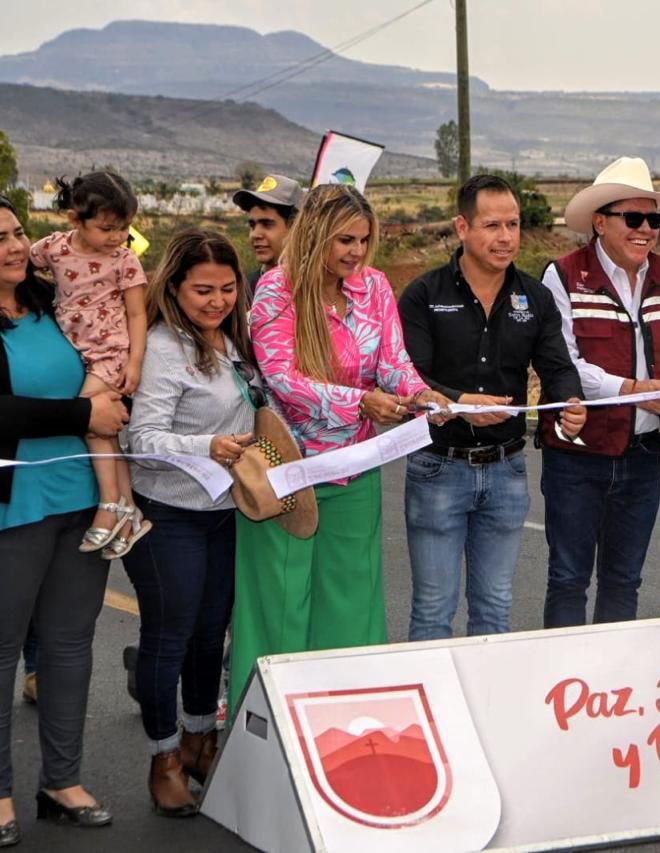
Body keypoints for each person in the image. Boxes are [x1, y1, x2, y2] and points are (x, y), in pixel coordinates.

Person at [230, 184, 450, 710]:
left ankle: (348, 726)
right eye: (344, 239)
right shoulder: (275, 290)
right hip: (286, 470)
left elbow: (392, 361)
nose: (355, 251)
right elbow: (282, 376)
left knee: (352, 604)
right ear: (315, 235)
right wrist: (361, 403)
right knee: (279, 609)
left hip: (354, 470)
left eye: (363, 241)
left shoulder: (373, 286)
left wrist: (419, 392)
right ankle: (263, 732)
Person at [539, 157, 660, 628]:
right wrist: (629, 391)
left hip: (642, 454)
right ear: (600, 222)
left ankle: (609, 691)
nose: (647, 229)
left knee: (624, 580)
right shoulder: (561, 276)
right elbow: (562, 364)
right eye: (634, 218)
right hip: (577, 456)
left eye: (655, 219)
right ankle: (564, 684)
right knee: (568, 577)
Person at [399, 175, 587, 641]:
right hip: (437, 467)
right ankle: (435, 710)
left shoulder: (535, 297)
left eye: (514, 224)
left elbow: (558, 367)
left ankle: (491, 709)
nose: (506, 237)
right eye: (492, 225)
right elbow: (409, 376)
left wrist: (571, 403)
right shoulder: (424, 295)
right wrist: (459, 404)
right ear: (462, 227)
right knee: (433, 609)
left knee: (495, 610)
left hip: (507, 470)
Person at [1, 194, 129, 845]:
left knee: (71, 646)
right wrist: (85, 417)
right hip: (14, 509)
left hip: (78, 498)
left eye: (18, 231)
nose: (15, 245)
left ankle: (62, 780)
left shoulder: (47, 302)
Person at [123, 229, 262, 815]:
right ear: (173, 286)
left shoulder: (234, 340)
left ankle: (201, 739)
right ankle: (164, 757)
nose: (217, 300)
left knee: (211, 634)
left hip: (225, 512)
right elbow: (139, 438)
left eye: (228, 288)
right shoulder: (160, 346)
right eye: (203, 289)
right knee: (170, 638)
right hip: (168, 514)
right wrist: (208, 445)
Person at [30, 172, 150, 560]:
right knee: (108, 431)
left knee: (91, 421)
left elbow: (136, 316)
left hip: (110, 354)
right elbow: (21, 263)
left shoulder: (125, 260)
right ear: (73, 220)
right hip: (75, 355)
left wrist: (134, 363)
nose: (117, 237)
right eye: (107, 229)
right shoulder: (54, 249)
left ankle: (109, 505)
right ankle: (130, 511)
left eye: (125, 228)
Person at [231, 174, 302, 293]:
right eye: (252, 225)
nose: (255, 235)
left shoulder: (320, 288)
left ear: (296, 227)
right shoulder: (242, 290)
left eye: (267, 224)